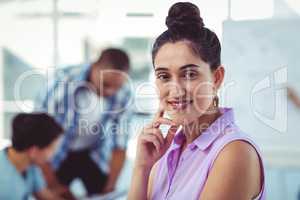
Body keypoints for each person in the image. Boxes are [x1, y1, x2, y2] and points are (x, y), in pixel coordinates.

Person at [128, 2, 266, 200]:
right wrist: (142, 168)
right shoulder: (165, 150)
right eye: (164, 76)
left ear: (217, 78)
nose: (175, 90)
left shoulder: (234, 152)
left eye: (189, 74)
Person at [35, 48, 132, 196]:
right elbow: (38, 139)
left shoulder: (123, 92)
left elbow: (120, 144)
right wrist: (53, 185)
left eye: (117, 87)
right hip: (58, 153)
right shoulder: (62, 82)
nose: (111, 92)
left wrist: (110, 188)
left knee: (105, 194)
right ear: (94, 67)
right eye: (105, 84)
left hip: (93, 153)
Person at [0, 113, 64, 199]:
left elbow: (44, 194)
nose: (54, 154)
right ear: (33, 151)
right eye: (52, 149)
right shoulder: (4, 186)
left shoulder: (30, 165)